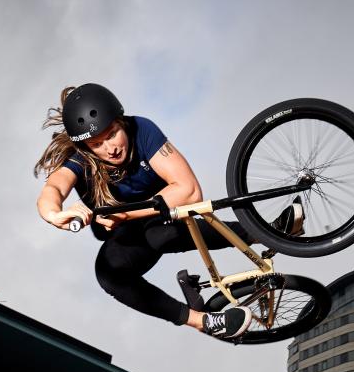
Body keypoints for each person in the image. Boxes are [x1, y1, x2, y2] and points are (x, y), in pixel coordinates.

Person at [34, 84, 302, 340]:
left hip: (163, 213)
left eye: (112, 134)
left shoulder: (142, 130)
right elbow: (53, 189)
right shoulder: (81, 159)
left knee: (161, 228)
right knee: (108, 273)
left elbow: (190, 191)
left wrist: (125, 214)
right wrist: (54, 215)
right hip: (128, 237)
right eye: (97, 144)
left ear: (121, 121)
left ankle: (264, 232)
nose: (110, 148)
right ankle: (203, 321)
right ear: (85, 147)